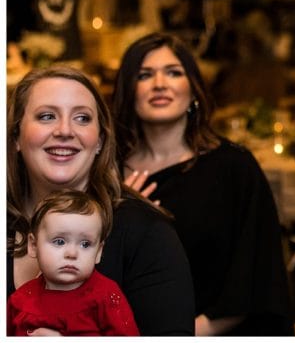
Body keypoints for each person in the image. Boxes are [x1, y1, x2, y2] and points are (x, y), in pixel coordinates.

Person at [113, 31, 295, 336]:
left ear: (193, 90)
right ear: (128, 90)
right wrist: (118, 213)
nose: (160, 84)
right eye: (145, 75)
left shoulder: (233, 168)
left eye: (173, 72)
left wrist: (184, 333)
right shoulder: (108, 171)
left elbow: (257, 274)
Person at [7, 65, 196, 335]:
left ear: (99, 141)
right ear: (16, 137)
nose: (65, 130)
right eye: (47, 116)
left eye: (82, 118)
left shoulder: (146, 235)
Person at [8, 189, 139, 336]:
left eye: (85, 244)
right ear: (33, 246)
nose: (72, 254)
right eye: (59, 241)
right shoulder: (20, 299)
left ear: (99, 252)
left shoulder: (106, 297)